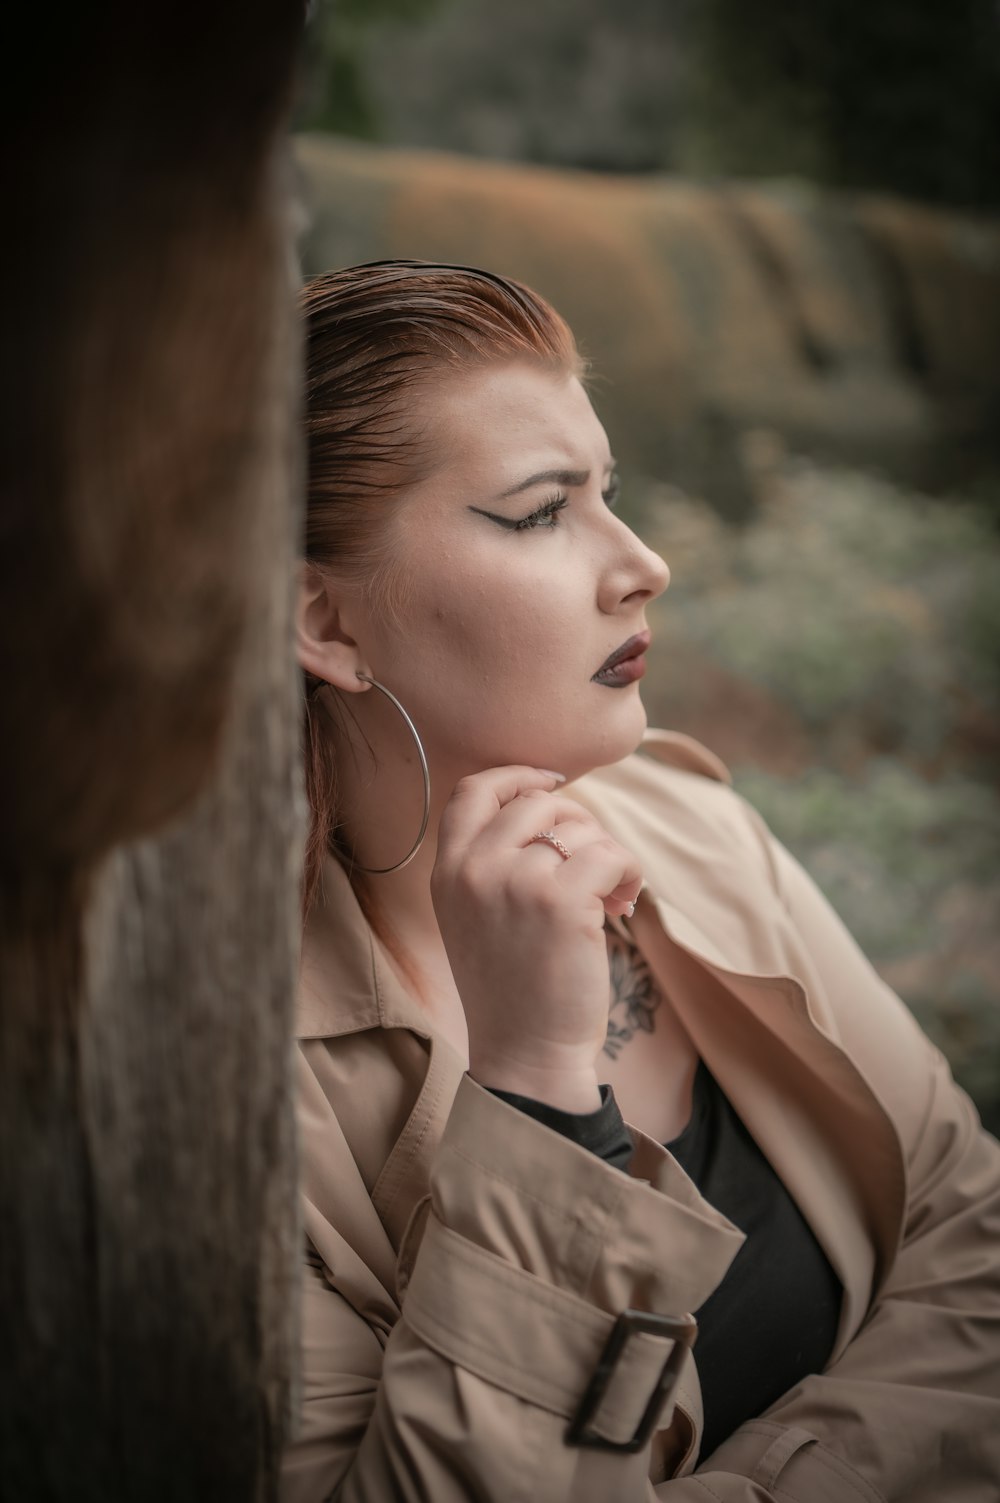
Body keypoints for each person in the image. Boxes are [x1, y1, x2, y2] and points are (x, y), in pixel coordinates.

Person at [282, 260, 1000, 1502]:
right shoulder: (210, 1089)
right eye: (539, 512)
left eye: (611, 493)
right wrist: (537, 1101)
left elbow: (967, 1239)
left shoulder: (691, 822)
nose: (645, 562)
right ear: (326, 624)